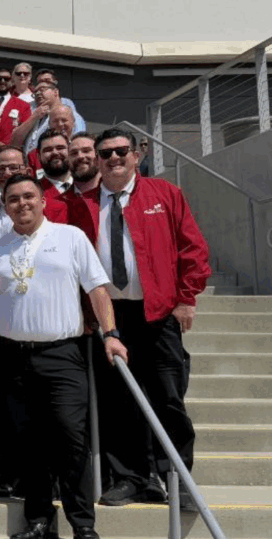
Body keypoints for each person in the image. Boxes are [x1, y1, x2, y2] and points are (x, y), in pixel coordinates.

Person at [66, 128, 211, 511]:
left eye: (121, 151)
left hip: (158, 314)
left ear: (136, 154)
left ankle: (177, 478)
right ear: (97, 160)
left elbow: (193, 248)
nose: (113, 158)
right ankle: (130, 478)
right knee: (118, 402)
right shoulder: (82, 205)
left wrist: (186, 298)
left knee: (168, 399)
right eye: (106, 153)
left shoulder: (165, 194)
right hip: (110, 318)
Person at [0, 174, 127, 539]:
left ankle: (83, 524)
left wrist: (111, 334)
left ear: (43, 200)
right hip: (12, 356)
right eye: (13, 199)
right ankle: (39, 520)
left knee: (71, 439)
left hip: (62, 354)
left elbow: (97, 290)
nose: (22, 203)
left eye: (29, 196)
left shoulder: (70, 237)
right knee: (27, 442)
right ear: (5, 206)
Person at [0, 146, 67, 240]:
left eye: (14, 168)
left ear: (28, 172)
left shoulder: (55, 209)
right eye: (1, 169)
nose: (7, 173)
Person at [16, 82, 86, 156]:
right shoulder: (36, 116)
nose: (38, 94)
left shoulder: (70, 113)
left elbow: (79, 141)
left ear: (56, 92)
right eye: (35, 92)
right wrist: (34, 117)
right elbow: (17, 140)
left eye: (42, 89)